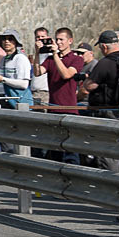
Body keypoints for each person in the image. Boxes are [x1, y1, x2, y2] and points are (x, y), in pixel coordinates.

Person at [33, 27, 84, 163]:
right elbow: (37, 72)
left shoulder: (76, 59)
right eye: (57, 39)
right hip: (53, 108)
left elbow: (66, 74)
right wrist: (37, 53)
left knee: (70, 151)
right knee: (55, 150)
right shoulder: (50, 60)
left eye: (61, 40)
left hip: (69, 110)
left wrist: (55, 55)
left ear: (70, 41)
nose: (58, 42)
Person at [0, 29, 33, 109]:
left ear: (16, 42)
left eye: (10, 39)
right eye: (4, 39)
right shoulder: (3, 60)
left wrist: (3, 79)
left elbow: (24, 84)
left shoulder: (21, 59)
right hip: (7, 101)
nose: (7, 41)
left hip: (21, 103)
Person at [30, 27, 51, 105]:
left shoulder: (51, 53)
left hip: (45, 91)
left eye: (43, 37)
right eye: (37, 37)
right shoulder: (37, 53)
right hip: (34, 91)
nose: (40, 39)